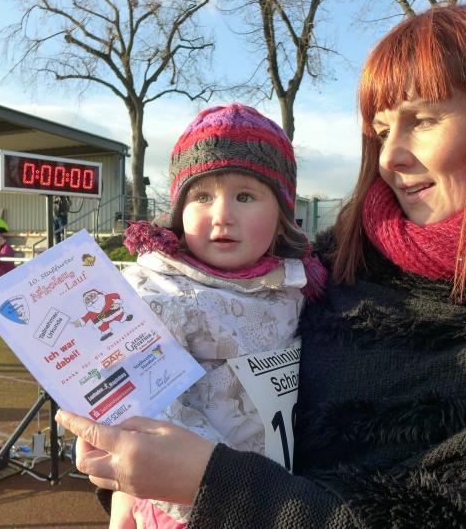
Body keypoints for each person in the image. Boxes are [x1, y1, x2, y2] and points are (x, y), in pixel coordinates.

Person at [56, 4, 466, 528]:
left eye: (423, 120)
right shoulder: (331, 268)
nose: (390, 157)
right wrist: (126, 455)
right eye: (380, 130)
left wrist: (214, 485)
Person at [104, 103, 324, 528]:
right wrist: (209, 488)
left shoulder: (297, 287)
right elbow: (148, 407)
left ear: (282, 218)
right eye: (202, 196)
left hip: (276, 499)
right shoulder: (159, 292)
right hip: (185, 501)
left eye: (245, 196)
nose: (222, 215)